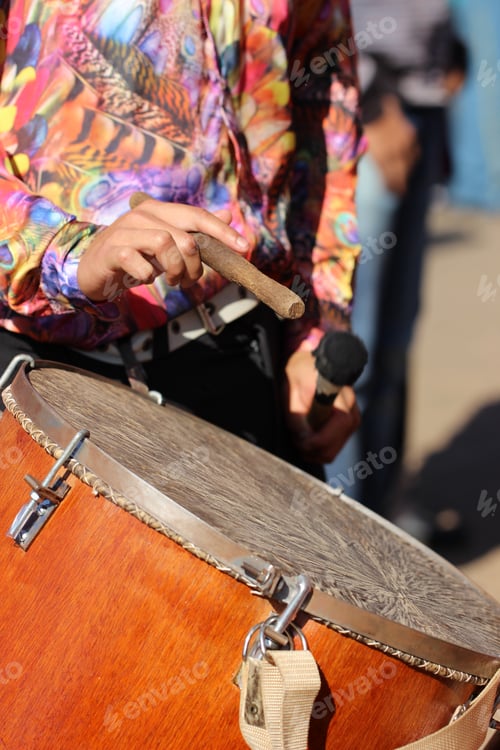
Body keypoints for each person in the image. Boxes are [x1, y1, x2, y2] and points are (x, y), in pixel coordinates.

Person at [0, 0, 363, 473]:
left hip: (242, 357)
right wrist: (66, 254)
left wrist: (314, 331)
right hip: (44, 367)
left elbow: (323, 117)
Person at [324, 0, 467, 524]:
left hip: (424, 109)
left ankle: (384, 511)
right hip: (372, 109)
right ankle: (347, 525)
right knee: (351, 345)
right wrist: (374, 104)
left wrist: (454, 52)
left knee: (397, 338)